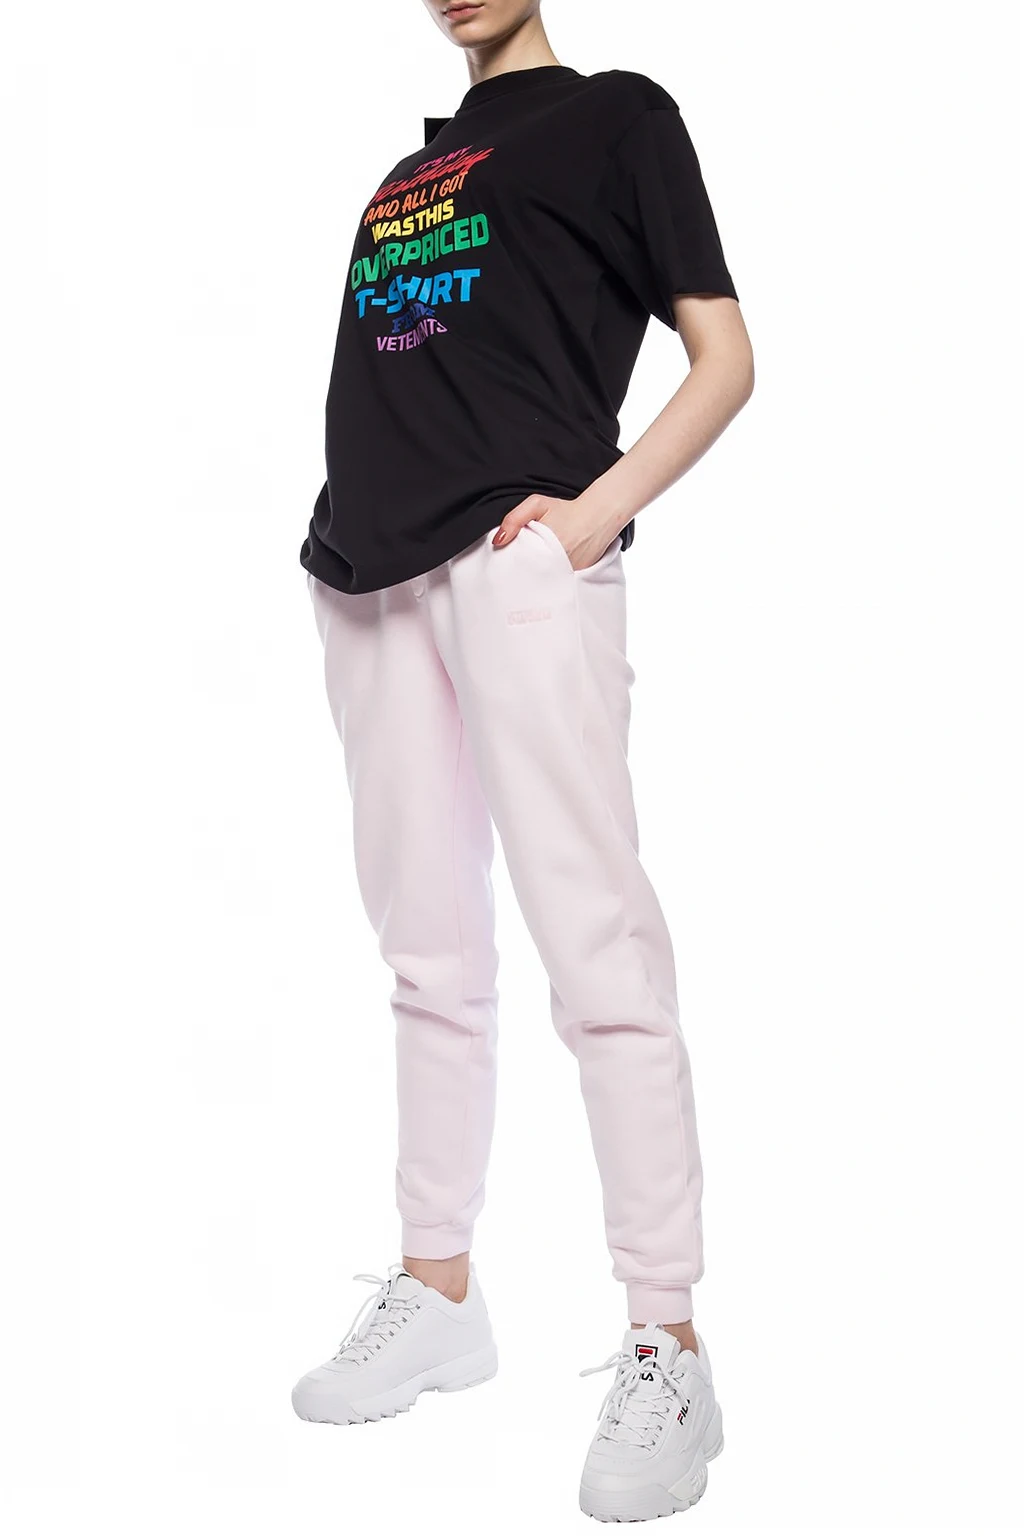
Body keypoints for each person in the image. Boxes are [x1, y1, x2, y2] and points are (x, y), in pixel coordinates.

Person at [292, 0, 754, 1520]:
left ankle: (667, 1338)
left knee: (596, 947)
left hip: (519, 563)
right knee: (427, 956)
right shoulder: (407, 173)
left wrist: (593, 515)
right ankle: (439, 1288)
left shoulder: (619, 113)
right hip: (368, 575)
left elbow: (725, 357)